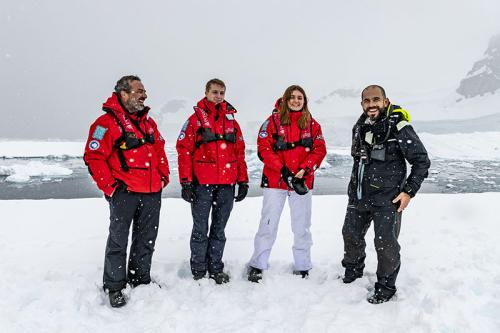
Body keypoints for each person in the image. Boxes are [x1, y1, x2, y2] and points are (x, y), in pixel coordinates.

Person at [84, 75, 170, 308]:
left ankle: (140, 278)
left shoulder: (149, 123)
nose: (144, 94)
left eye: (144, 90)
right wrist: (111, 188)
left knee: (146, 239)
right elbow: (93, 156)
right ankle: (114, 286)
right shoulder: (105, 124)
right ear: (123, 93)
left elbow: (160, 151)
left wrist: (164, 176)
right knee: (118, 241)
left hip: (152, 192)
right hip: (125, 192)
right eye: (139, 90)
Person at [341, 85, 430, 304]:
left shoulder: (398, 126)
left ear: (385, 101)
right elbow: (358, 160)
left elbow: (421, 161)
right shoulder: (360, 126)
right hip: (359, 195)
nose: (371, 105)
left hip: (388, 198)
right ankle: (353, 271)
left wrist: (408, 192)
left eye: (375, 100)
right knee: (350, 235)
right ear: (362, 104)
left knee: (385, 244)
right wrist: (354, 191)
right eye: (366, 101)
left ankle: (386, 286)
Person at [247, 85, 327, 282]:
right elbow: (264, 149)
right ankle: (258, 264)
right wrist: (282, 170)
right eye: (292, 97)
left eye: (300, 98)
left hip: (302, 182)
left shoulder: (312, 124)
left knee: (302, 226)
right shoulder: (272, 122)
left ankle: (303, 265)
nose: (296, 101)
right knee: (268, 224)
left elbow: (319, 149)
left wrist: (305, 169)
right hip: (276, 182)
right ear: (285, 99)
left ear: (304, 101)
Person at [176, 78, 248, 284]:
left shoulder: (232, 122)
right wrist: (186, 182)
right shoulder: (194, 120)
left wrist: (242, 181)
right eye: (214, 92)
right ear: (206, 92)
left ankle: (216, 267)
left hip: (226, 184)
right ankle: (198, 269)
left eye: (222, 93)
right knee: (200, 229)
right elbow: (184, 150)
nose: (218, 96)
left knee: (219, 229)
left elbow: (239, 152)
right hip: (202, 184)